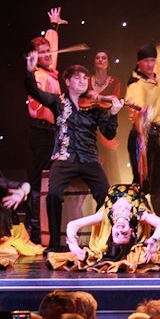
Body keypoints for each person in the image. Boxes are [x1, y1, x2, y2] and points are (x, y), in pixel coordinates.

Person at [24, 55, 126, 253]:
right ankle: (54, 243)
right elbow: (33, 91)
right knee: (53, 195)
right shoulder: (57, 102)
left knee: (106, 195)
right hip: (65, 158)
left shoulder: (95, 107)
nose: (82, 81)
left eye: (84, 78)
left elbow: (108, 133)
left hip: (89, 159)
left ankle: (103, 240)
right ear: (68, 81)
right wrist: (29, 71)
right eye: (77, 78)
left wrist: (113, 114)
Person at [125, 39, 160, 238]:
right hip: (142, 137)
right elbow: (134, 105)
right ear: (139, 63)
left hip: (155, 137)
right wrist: (142, 111)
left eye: (153, 61)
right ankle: (144, 224)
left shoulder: (155, 76)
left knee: (158, 181)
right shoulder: (136, 84)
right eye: (146, 61)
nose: (151, 65)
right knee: (142, 183)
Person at [52, 183, 160, 272]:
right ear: (132, 232)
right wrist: (154, 239)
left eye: (117, 234)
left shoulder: (104, 216)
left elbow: (72, 224)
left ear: (111, 231)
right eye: (124, 234)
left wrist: (72, 241)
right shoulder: (138, 214)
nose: (120, 230)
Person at [26, 7, 66, 237]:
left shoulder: (50, 68)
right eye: (42, 53)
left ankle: (47, 223)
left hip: (53, 132)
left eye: (48, 51)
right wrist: (51, 101)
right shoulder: (39, 77)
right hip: (41, 132)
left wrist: (54, 25)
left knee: (51, 177)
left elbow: (51, 42)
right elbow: (34, 109)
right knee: (38, 178)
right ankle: (34, 226)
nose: (49, 54)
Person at [88, 49, 124, 182]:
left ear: (108, 63)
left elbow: (114, 99)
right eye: (98, 58)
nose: (100, 60)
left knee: (109, 167)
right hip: (89, 126)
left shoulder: (115, 82)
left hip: (105, 123)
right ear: (94, 62)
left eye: (104, 58)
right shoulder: (86, 80)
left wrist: (99, 97)